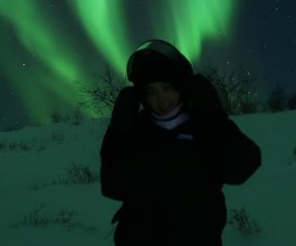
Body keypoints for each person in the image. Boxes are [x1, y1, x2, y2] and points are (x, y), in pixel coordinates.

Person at [100, 39, 262, 245]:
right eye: (152, 91)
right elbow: (113, 187)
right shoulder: (135, 130)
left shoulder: (203, 126)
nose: (162, 99)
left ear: (181, 88)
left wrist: (215, 119)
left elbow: (241, 168)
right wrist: (119, 133)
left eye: (167, 88)